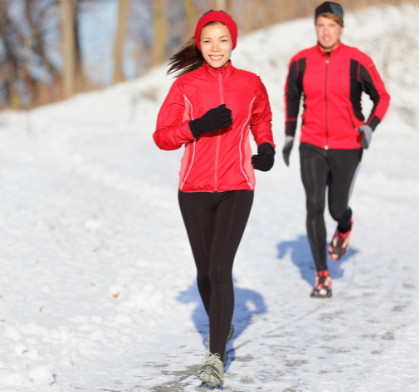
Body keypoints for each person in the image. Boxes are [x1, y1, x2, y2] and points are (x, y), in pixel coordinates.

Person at [153, 10, 275, 388]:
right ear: (199, 45)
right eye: (207, 41)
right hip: (193, 190)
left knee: (221, 269)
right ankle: (223, 325)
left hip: (238, 185)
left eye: (222, 39)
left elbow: (261, 119)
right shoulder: (186, 87)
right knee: (205, 272)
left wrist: (267, 147)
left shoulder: (251, 83)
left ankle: (215, 356)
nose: (215, 47)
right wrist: (198, 126)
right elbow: (162, 136)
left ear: (233, 42)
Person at [282, 2, 390, 298]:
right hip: (312, 144)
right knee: (314, 205)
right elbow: (292, 97)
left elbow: (382, 97)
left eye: (332, 25)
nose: (326, 31)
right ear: (315, 27)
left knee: (335, 208)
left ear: (341, 27)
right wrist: (290, 136)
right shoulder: (301, 62)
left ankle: (344, 225)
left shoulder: (357, 61)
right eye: (321, 25)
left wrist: (369, 126)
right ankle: (322, 275)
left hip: (347, 146)